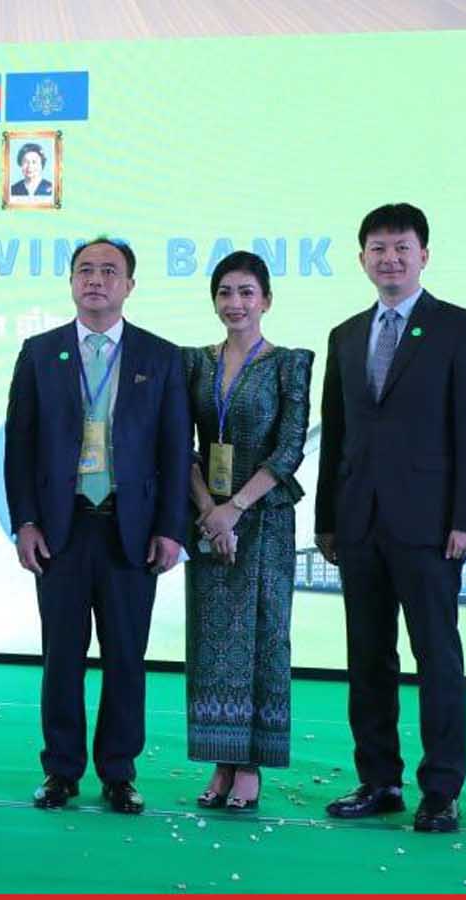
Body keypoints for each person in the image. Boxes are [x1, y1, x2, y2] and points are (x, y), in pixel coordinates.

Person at [315, 203, 466, 834]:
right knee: (367, 657)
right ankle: (379, 780)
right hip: (359, 524)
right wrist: (327, 520)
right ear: (362, 258)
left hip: (432, 525)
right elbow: (335, 435)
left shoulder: (461, 329)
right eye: (378, 249)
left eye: (401, 248)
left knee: (436, 657)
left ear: (424, 255)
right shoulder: (345, 335)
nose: (389, 259)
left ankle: (441, 789)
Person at [4, 238, 189, 813]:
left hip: (130, 530)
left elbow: (175, 449)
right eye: (85, 270)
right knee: (61, 657)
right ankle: (60, 770)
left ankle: (118, 772)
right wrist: (24, 522)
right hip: (61, 530)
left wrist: (171, 528)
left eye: (110, 271)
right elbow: (19, 446)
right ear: (71, 282)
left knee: (126, 658)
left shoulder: (160, 356)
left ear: (129, 285)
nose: (96, 280)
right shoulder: (41, 352)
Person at [183, 251, 313, 811]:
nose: (234, 303)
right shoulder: (194, 363)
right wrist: (209, 510)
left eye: (246, 292)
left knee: (262, 638)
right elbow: (180, 442)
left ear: (266, 300)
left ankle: (251, 764)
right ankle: (221, 759)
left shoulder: (289, 364)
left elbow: (289, 449)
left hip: (264, 516)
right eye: (225, 292)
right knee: (212, 640)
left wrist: (234, 508)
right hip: (206, 517)